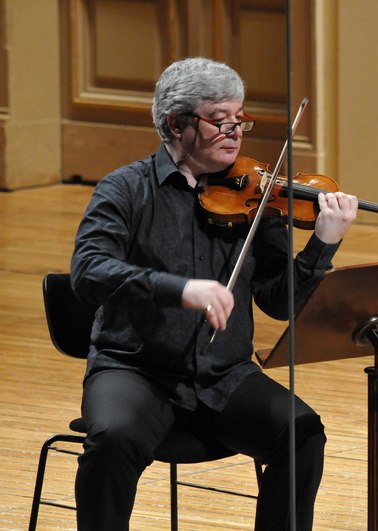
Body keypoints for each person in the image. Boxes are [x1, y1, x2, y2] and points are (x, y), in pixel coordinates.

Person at [70, 57, 358, 530]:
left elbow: (277, 301)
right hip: (135, 368)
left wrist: (321, 246)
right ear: (175, 124)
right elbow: (88, 272)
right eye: (219, 121)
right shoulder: (124, 190)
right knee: (113, 438)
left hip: (224, 376)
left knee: (302, 432)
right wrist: (180, 289)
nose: (235, 132)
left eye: (240, 119)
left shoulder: (256, 197)